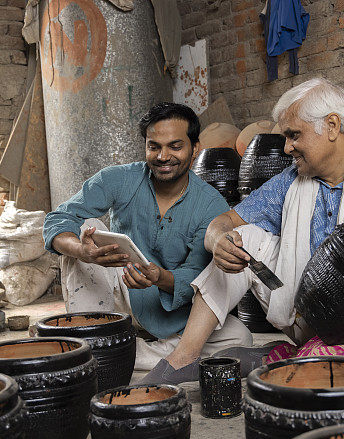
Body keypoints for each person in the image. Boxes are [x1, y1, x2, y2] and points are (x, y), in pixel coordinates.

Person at [140, 78, 344, 385]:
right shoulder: (293, 179)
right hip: (306, 310)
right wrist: (218, 240)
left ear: (331, 126)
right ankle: (183, 359)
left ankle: (276, 358)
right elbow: (224, 222)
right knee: (246, 240)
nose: (286, 148)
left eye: (294, 135)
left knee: (324, 379)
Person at [43, 102, 253, 371]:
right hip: (122, 293)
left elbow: (198, 276)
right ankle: (94, 337)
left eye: (175, 146)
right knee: (86, 229)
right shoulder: (118, 178)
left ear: (194, 148)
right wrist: (82, 250)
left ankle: (115, 352)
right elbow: (57, 220)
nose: (163, 156)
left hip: (173, 312)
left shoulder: (212, 205)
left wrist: (160, 277)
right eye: (154, 146)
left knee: (240, 339)